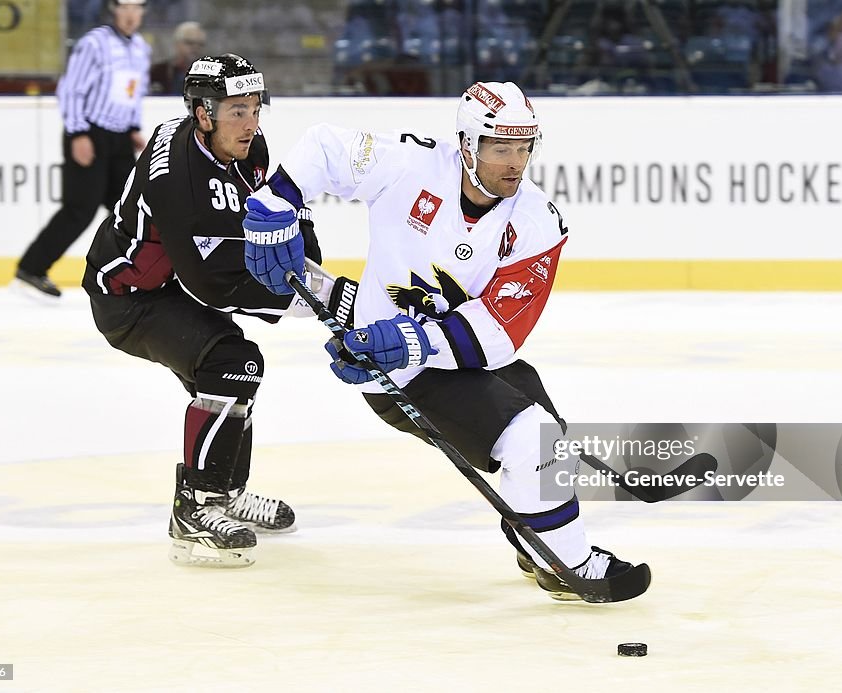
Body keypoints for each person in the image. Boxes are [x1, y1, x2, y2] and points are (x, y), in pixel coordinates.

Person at [241, 82, 651, 601]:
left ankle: (535, 541)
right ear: (466, 145)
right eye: (501, 147)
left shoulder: (536, 222)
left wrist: (410, 340)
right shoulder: (410, 167)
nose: (515, 162)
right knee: (532, 439)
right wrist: (277, 200)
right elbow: (327, 146)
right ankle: (567, 565)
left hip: (449, 357)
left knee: (548, 441)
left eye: (524, 147)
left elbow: (501, 330)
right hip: (398, 375)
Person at [81, 53, 355, 568]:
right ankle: (196, 506)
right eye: (237, 111)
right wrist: (317, 302)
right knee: (231, 364)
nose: (251, 123)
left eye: (256, 108)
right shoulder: (177, 173)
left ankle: (223, 494)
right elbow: (208, 282)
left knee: (235, 372)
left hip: (171, 286)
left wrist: (316, 281)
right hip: (129, 300)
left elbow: (288, 219)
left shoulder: (248, 150)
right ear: (203, 114)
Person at [14, 0, 151, 300]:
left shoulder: (140, 48)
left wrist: (132, 128)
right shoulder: (94, 44)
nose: (130, 15)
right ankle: (31, 268)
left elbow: (132, 92)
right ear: (114, 10)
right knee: (80, 209)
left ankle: (128, 273)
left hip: (120, 139)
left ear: (142, 11)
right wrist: (78, 133)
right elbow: (71, 89)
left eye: (136, 8)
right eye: (124, 7)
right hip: (90, 132)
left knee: (127, 210)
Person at [149, 21, 207, 95]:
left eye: (200, 44)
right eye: (190, 43)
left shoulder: (208, 76)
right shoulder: (158, 72)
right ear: (177, 43)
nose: (195, 48)